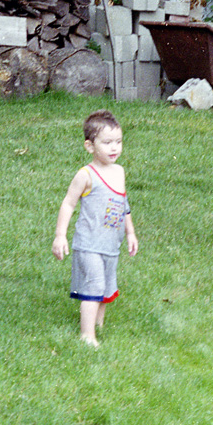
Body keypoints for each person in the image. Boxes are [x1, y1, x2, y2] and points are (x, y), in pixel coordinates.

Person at [52, 110, 139, 347]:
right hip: (89, 243)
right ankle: (86, 336)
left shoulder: (119, 172)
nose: (114, 148)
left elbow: (124, 205)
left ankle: (98, 326)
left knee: (107, 287)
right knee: (95, 285)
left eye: (118, 142)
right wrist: (60, 236)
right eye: (107, 143)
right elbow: (68, 204)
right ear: (90, 146)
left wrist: (130, 232)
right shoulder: (86, 175)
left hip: (111, 244)